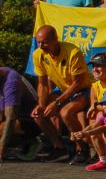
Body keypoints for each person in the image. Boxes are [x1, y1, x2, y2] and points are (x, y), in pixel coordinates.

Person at [31, 25, 93, 164]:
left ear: (55, 40)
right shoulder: (38, 54)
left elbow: (78, 83)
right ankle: (59, 147)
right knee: (38, 114)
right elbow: (43, 84)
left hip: (84, 88)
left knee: (66, 113)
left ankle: (82, 149)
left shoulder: (72, 52)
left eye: (45, 42)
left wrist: (57, 102)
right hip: (63, 89)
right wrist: (41, 104)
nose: (41, 46)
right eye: (39, 42)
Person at [0, 67, 40, 162]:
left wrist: (1, 149)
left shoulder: (11, 81)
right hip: (17, 118)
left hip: (32, 121)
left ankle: (31, 142)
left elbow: (10, 118)